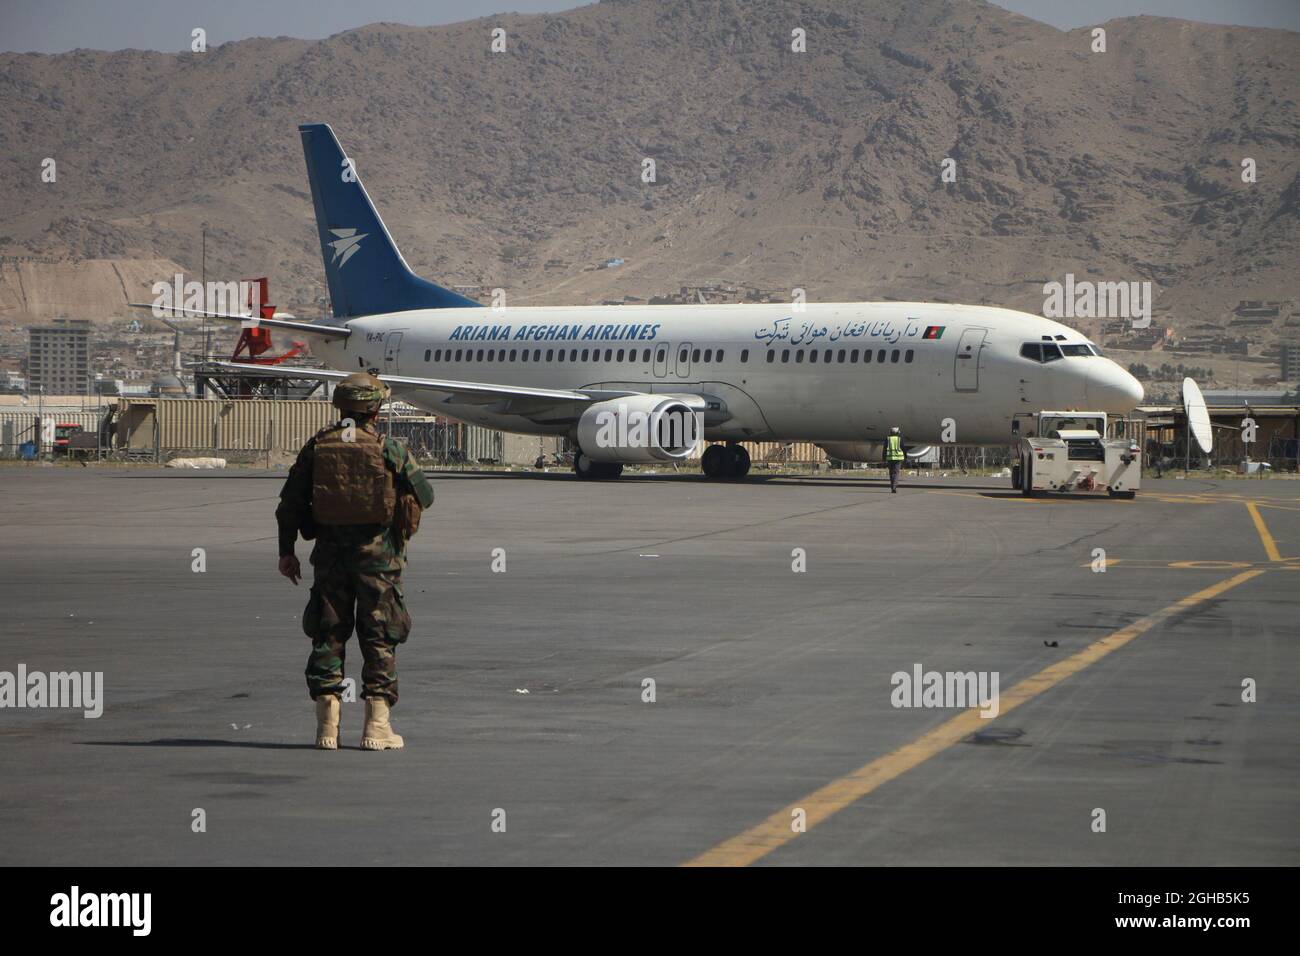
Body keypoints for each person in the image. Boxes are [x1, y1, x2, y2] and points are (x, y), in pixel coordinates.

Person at [276, 373, 434, 751]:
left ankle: (326, 725)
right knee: (379, 638)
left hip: (330, 559)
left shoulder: (317, 448)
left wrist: (286, 553)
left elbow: (289, 507)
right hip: (380, 563)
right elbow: (426, 495)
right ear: (375, 409)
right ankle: (376, 726)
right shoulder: (389, 449)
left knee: (328, 633)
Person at [885, 426, 905, 493]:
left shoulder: (888, 439)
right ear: (897, 432)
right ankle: (894, 486)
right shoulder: (900, 439)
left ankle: (892, 486)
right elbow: (903, 448)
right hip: (898, 459)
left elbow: (884, 449)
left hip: (890, 458)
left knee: (891, 473)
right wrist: (905, 456)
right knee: (896, 473)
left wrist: (883, 457)